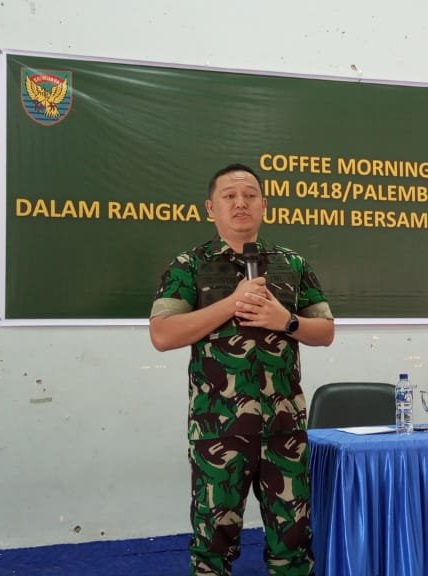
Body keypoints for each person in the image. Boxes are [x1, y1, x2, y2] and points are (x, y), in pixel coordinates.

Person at [150, 163, 335, 576]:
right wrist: (232, 303)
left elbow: (325, 331)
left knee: (294, 542)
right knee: (212, 546)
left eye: (250, 195)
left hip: (284, 429)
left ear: (264, 205)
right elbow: (162, 334)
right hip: (219, 427)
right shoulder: (190, 265)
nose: (240, 203)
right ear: (210, 208)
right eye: (229, 196)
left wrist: (286, 321)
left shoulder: (291, 264)